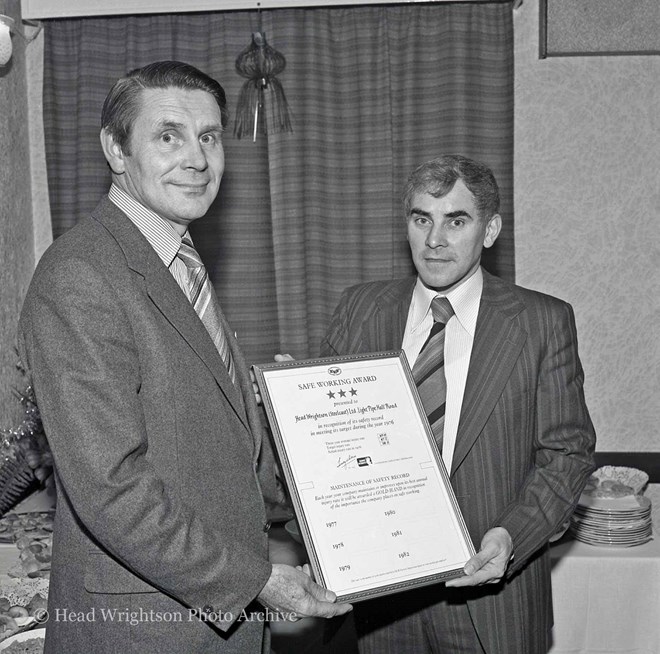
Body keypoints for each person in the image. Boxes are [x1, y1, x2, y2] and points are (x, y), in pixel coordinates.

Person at [18, 60, 351, 654]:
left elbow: (210, 447)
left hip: (211, 621)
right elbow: (112, 488)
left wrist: (316, 488)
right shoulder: (81, 275)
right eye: (168, 136)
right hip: (145, 629)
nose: (196, 159)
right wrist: (257, 582)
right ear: (116, 149)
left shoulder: (179, 259)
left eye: (209, 137)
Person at [320, 154, 596, 653]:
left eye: (456, 220)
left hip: (494, 598)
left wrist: (512, 536)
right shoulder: (360, 308)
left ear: (489, 231)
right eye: (421, 219)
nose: (435, 240)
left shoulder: (542, 321)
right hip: (384, 599)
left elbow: (567, 454)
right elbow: (330, 446)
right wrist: (289, 405)